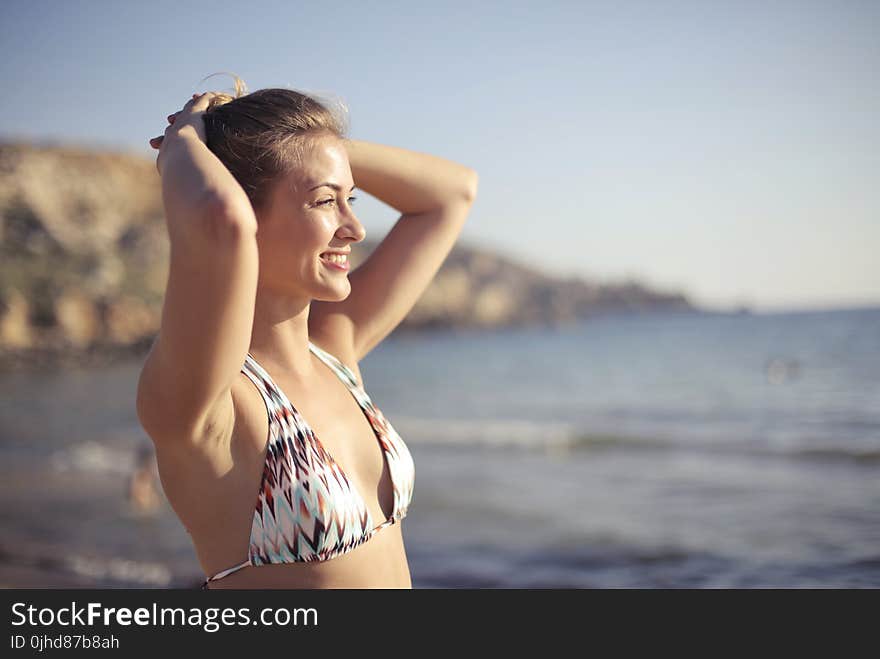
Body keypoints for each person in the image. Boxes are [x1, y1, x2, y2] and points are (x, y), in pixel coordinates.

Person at [136, 75, 478, 589]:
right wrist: (185, 139)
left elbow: (452, 192)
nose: (355, 228)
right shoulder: (211, 404)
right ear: (252, 216)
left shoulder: (335, 349)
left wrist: (311, 149)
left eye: (351, 200)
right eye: (324, 202)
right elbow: (219, 218)